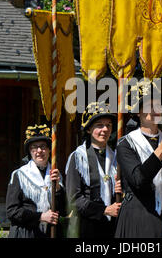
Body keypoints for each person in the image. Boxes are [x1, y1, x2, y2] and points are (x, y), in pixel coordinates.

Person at [114, 80, 162, 238]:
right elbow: (138, 181)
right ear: (138, 113)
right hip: (138, 217)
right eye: (148, 106)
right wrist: (160, 150)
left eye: (158, 105)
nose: (154, 110)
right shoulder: (126, 144)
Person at [65, 101, 122, 238]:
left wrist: (122, 190)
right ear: (89, 129)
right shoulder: (78, 158)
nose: (105, 129)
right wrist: (104, 210)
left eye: (108, 125)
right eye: (99, 125)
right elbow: (74, 199)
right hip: (85, 226)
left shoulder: (117, 158)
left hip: (113, 226)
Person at [6, 124, 66, 238]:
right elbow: (12, 211)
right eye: (34, 147)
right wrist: (41, 216)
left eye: (43, 146)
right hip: (25, 232)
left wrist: (58, 187)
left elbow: (63, 210)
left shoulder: (56, 174)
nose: (39, 151)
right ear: (30, 151)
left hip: (50, 232)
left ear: (49, 150)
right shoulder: (19, 175)